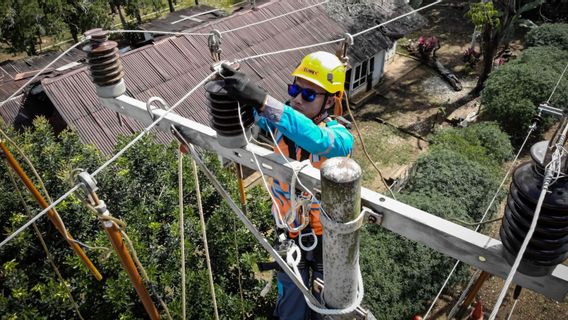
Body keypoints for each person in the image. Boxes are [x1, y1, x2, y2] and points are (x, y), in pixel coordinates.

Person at [214, 51, 354, 319]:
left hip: (328, 238)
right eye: (294, 90)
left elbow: (316, 140)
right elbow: (247, 124)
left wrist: (264, 100)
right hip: (289, 231)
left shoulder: (340, 138)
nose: (297, 99)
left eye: (309, 95)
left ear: (330, 102)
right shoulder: (277, 124)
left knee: (330, 302)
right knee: (291, 296)